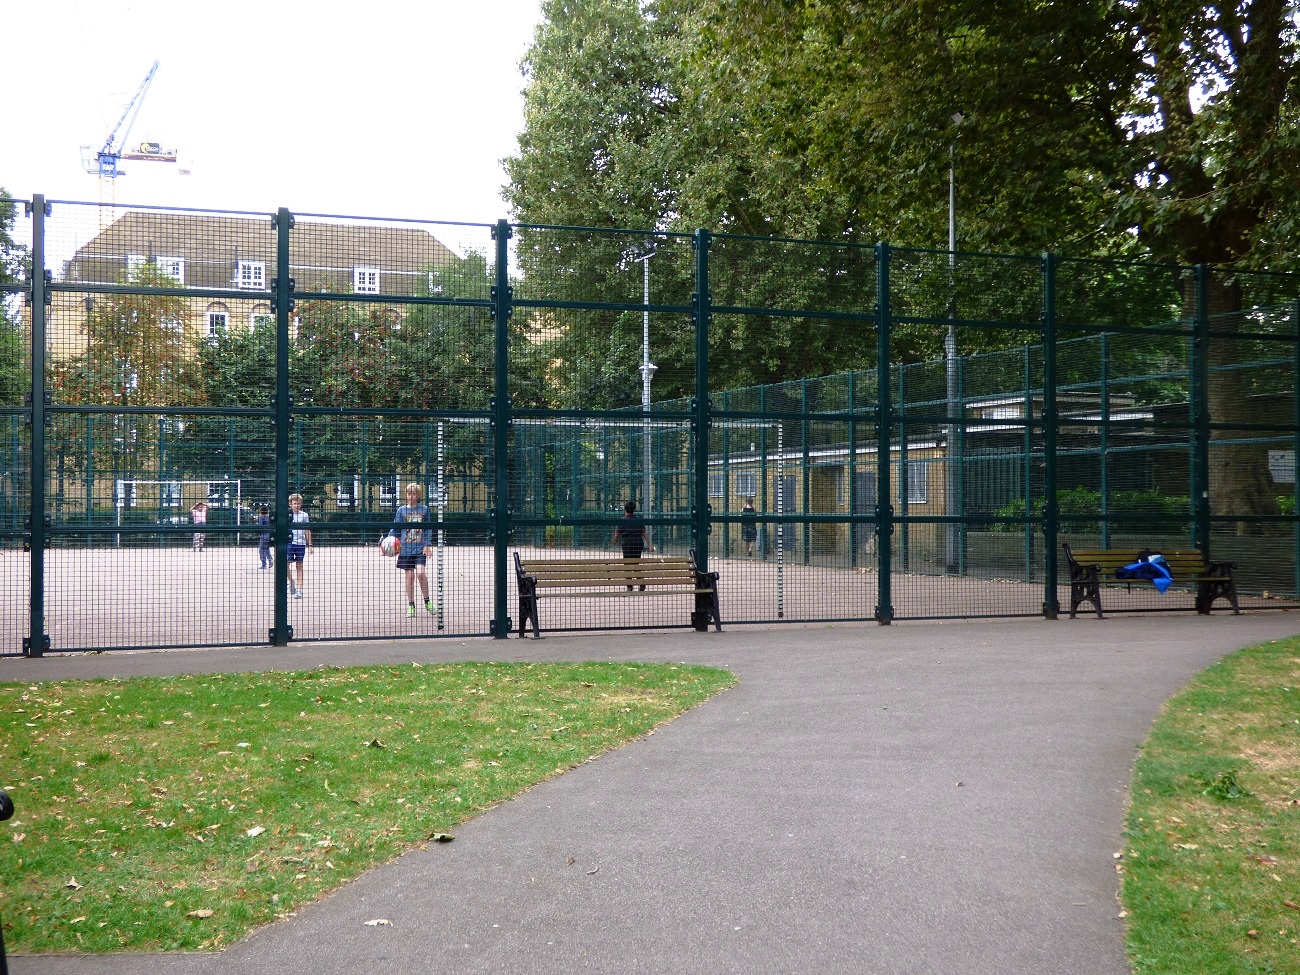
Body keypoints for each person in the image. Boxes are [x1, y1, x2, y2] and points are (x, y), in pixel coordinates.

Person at [389, 483, 434, 618]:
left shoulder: (424, 510)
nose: (411, 496)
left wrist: (427, 544)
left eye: (413, 494)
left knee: (420, 573)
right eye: (409, 494)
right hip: (405, 549)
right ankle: (411, 605)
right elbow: (395, 528)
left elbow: (428, 529)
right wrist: (388, 541)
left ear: (418, 495)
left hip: (420, 548)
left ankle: (427, 601)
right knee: (409, 576)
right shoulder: (401, 511)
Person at [613, 499, 652, 590]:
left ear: (625, 509)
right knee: (636, 563)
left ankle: (629, 586)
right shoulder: (638, 520)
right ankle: (641, 583)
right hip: (638, 543)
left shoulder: (622, 520)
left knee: (627, 565)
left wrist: (615, 540)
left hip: (627, 543)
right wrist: (649, 545)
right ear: (634, 509)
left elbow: (617, 534)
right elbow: (644, 533)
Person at [286, 493, 312, 599]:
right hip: (290, 542)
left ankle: (300, 589)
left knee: (299, 566)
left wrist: (309, 544)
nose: (297, 506)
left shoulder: (304, 515)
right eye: (295, 503)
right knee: (285, 564)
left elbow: (307, 529)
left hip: (301, 543)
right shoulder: (287, 515)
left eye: (299, 504)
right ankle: (291, 582)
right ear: (290, 504)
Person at [257, 504, 272, 569]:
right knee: (266, 548)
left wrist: (259, 533)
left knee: (261, 549)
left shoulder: (261, 517)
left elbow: (260, 526)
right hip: (270, 534)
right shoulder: (269, 517)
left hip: (264, 535)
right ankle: (270, 559)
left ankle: (264, 564)